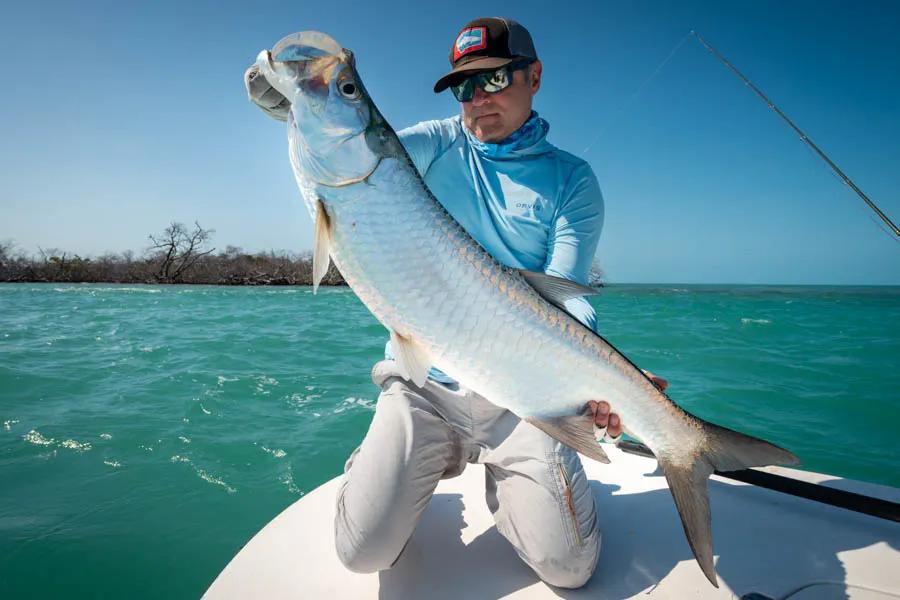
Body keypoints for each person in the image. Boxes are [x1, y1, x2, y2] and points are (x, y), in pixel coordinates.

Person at [245, 17, 667, 589]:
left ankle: (514, 480)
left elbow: (567, 299)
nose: (477, 100)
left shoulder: (573, 181)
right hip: (425, 384)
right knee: (361, 552)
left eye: (494, 80)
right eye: (464, 87)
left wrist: (603, 375)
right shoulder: (431, 145)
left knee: (570, 570)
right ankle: (385, 472)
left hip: (520, 393)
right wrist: (293, 107)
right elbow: (362, 143)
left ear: (534, 76)